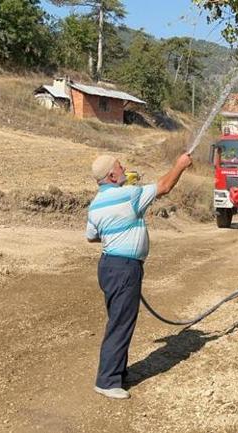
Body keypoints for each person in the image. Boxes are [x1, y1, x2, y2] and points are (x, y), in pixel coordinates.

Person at [86, 152, 192, 399]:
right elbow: (164, 186)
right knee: (121, 323)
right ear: (111, 175)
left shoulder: (95, 204)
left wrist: (115, 232)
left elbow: (91, 236)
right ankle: (107, 381)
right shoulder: (128, 195)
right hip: (124, 268)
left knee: (118, 319)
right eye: (119, 166)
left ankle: (118, 372)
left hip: (109, 266)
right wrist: (180, 165)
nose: (124, 168)